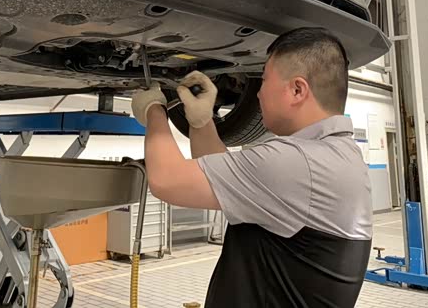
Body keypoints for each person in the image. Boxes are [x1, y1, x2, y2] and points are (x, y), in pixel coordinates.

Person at [131, 27, 372, 308]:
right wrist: (201, 122)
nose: (257, 94)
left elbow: (167, 180)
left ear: (297, 90)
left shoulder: (298, 163)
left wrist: (154, 110)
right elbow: (233, 183)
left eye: (264, 81)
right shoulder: (337, 156)